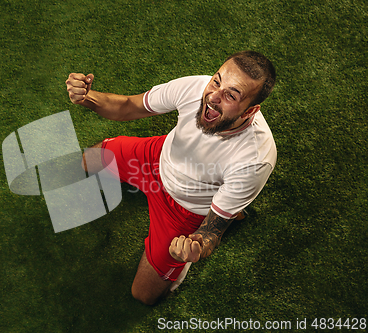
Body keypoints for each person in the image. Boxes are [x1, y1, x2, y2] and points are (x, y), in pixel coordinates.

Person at [65, 51, 277, 305]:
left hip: (185, 210)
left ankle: (188, 258)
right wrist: (86, 97)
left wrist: (195, 245)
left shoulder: (255, 158)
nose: (213, 97)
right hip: (155, 159)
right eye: (217, 81)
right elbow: (127, 107)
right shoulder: (194, 87)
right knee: (89, 160)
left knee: (143, 295)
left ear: (250, 110)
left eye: (231, 95)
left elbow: (212, 233)